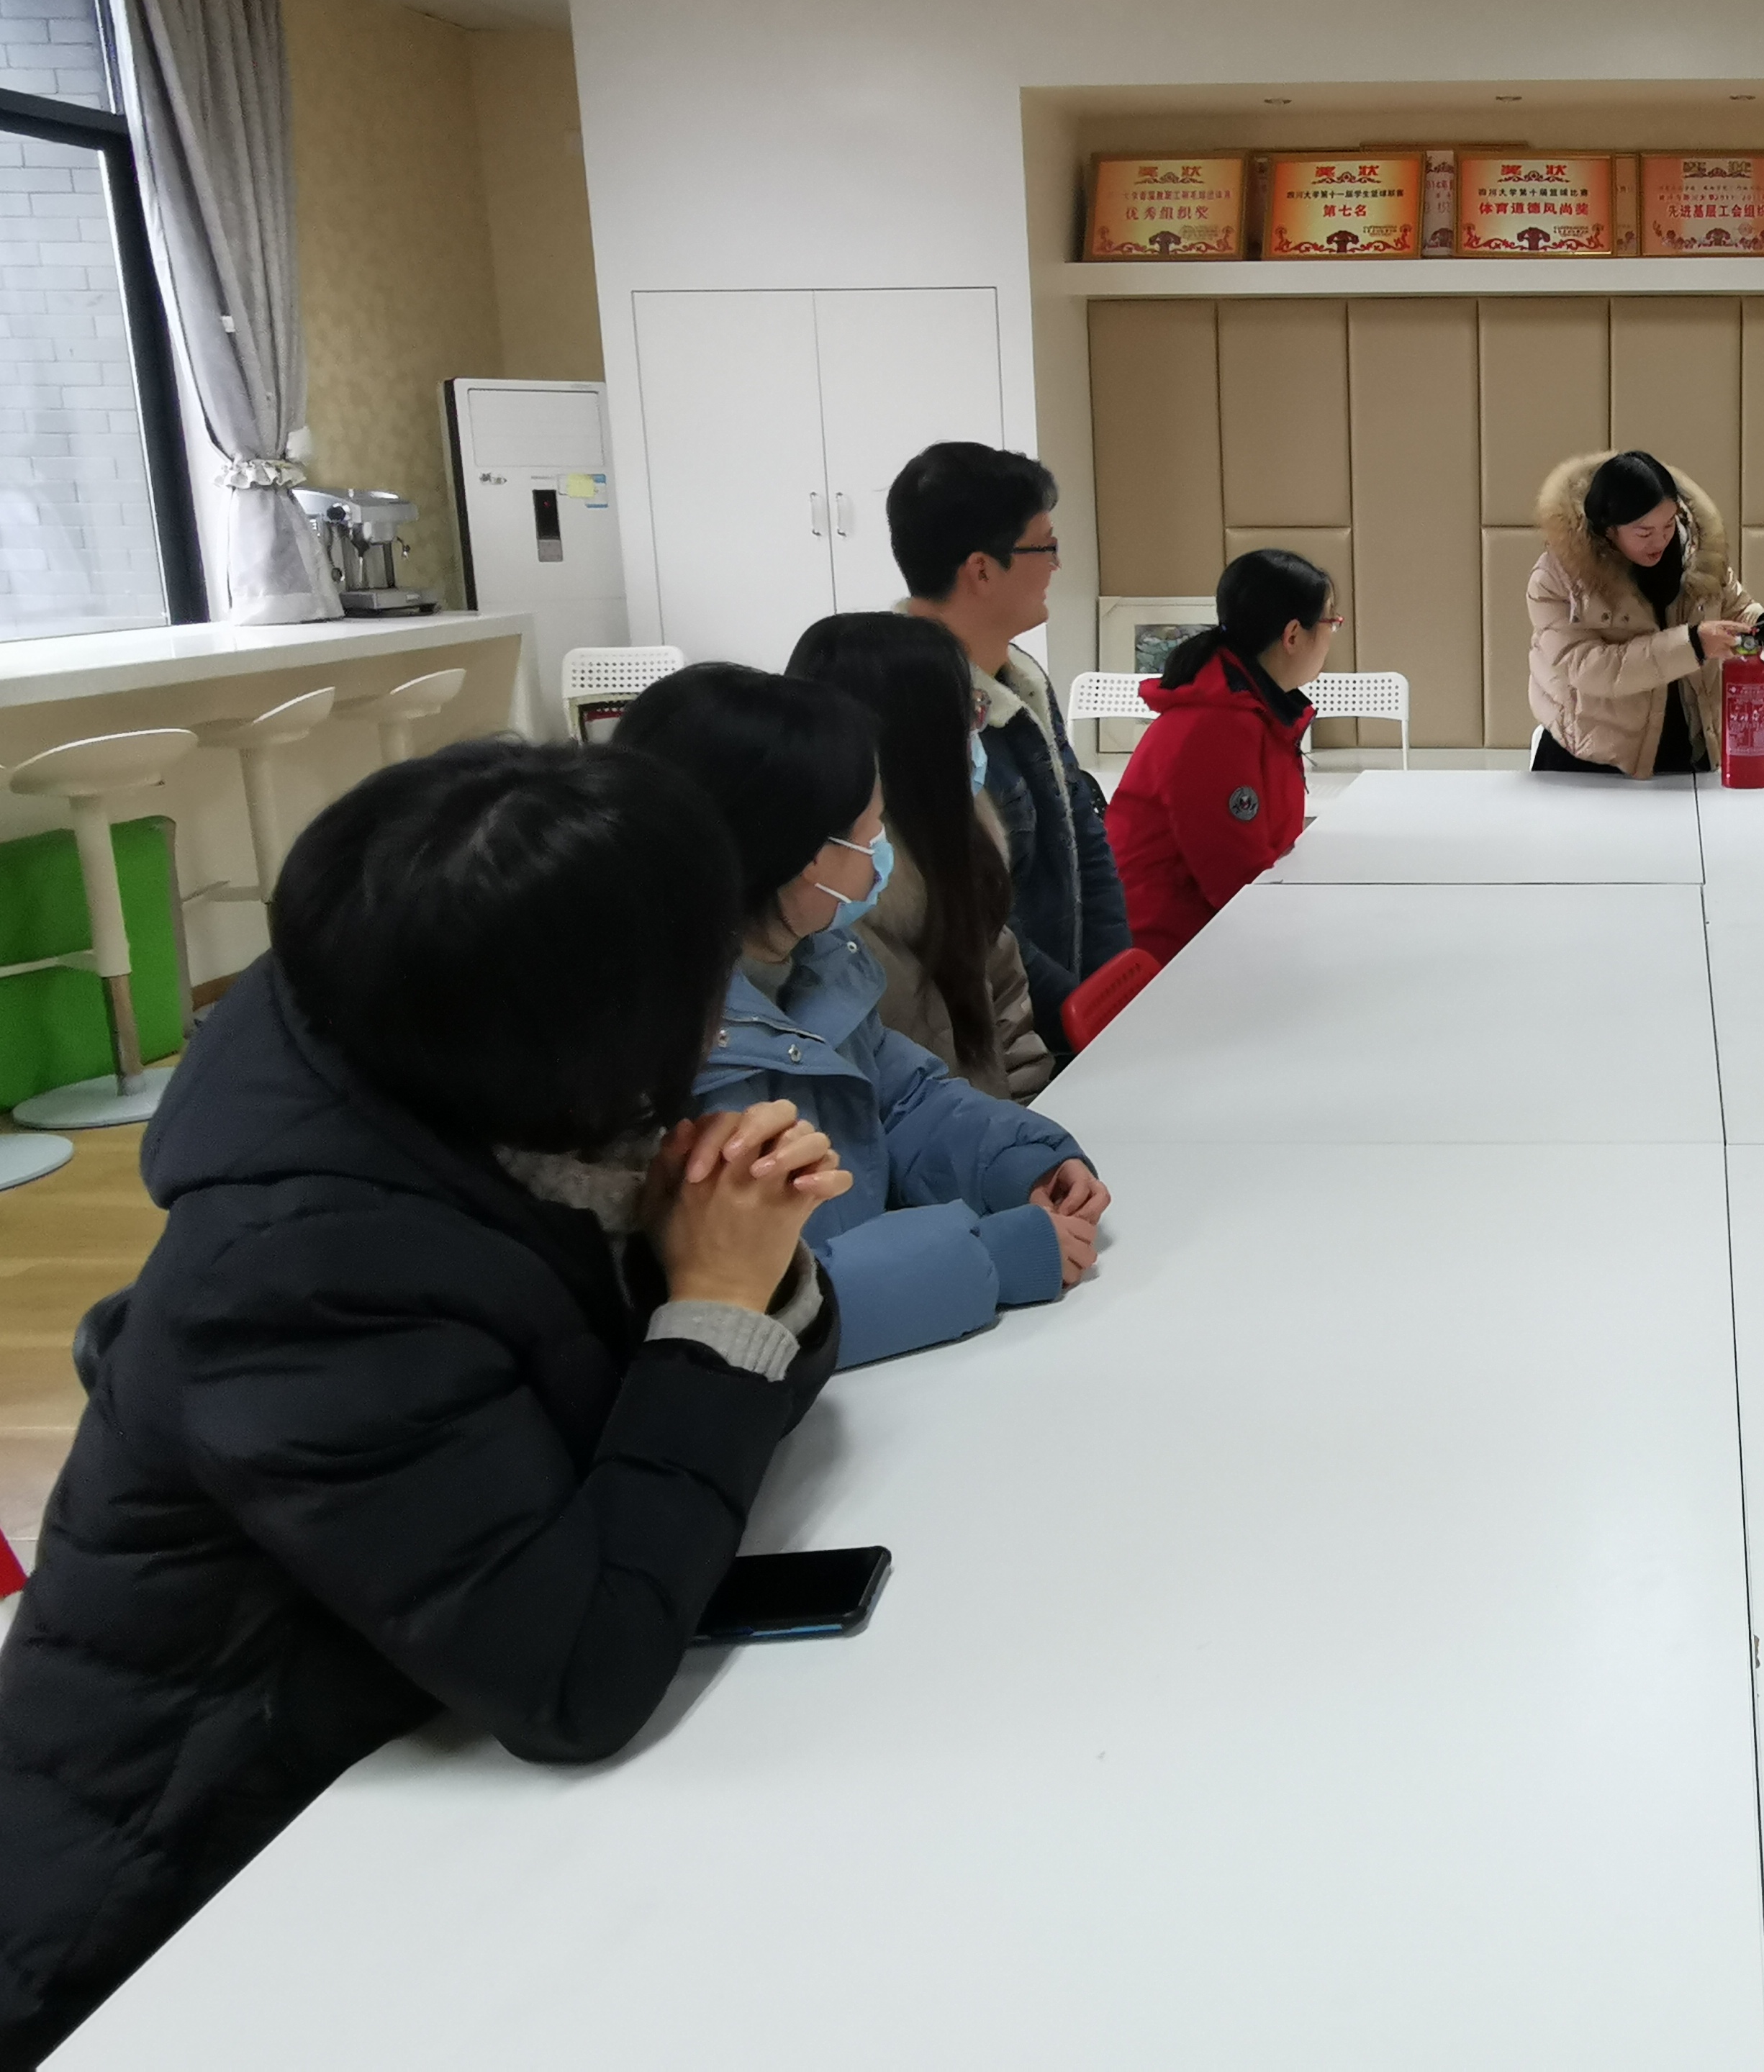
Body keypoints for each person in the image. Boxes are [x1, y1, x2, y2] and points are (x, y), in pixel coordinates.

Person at [0, 743, 846, 2066]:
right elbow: (573, 1678)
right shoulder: (300, 1280)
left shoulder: (459, 1081)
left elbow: (683, 1395)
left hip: (401, 1787)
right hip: (159, 1923)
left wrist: (744, 1265)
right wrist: (715, 1309)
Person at [616, 664, 1108, 1367]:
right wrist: (995, 1254)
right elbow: (775, 1300)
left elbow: (906, 1102)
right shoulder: (676, 1062)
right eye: (869, 827)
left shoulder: (815, 962)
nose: (882, 846)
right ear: (797, 852)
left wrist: (1022, 1161)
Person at [890, 441, 1127, 1059]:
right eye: (1045, 547)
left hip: (1071, 1023)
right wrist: (1078, 1016)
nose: (1056, 565)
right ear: (981, 570)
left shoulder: (1019, 676)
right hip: (1001, 1039)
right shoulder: (906, 702)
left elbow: (1084, 835)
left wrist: (1114, 994)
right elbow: (983, 918)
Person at [787, 611, 1053, 1100]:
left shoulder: (963, 842)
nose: (976, 731)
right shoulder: (827, 902)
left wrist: (1025, 1131)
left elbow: (1011, 1030)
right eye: (967, 712)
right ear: (920, 739)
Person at [1106, 548, 1340, 962]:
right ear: (1292, 636)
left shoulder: (1254, 710)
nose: (1334, 633)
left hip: (1215, 939)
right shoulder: (1216, 727)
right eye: (1330, 622)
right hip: (1171, 959)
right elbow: (1237, 883)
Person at [1527, 447, 1764, 777]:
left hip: (1684, 753)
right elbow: (1587, 668)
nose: (1660, 540)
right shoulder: (1560, 578)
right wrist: (1694, 644)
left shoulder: (1698, 558)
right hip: (1590, 761)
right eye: (1644, 532)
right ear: (1607, 528)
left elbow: (1736, 608)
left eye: (1669, 524)